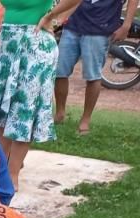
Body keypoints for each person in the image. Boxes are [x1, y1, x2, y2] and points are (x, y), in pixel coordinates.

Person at [0, 0, 84, 190]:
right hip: (8, 43)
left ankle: (13, 173)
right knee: (3, 110)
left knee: (25, 109)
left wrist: (52, 16)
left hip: (35, 43)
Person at [54, 0, 138, 135]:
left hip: (100, 27)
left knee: (92, 75)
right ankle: (60, 113)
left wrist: (126, 25)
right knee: (59, 71)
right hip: (73, 24)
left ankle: (85, 120)